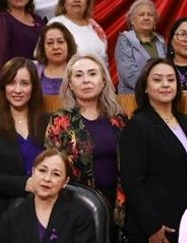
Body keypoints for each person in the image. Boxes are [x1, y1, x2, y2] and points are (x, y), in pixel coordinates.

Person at [120, 58, 187, 243]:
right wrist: (152, 226)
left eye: (171, 79)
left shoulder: (186, 121)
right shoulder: (138, 125)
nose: (165, 84)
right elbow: (132, 182)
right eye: (157, 80)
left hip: (186, 222)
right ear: (145, 88)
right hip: (157, 229)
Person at [0, 58, 48, 243]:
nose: (17, 89)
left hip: (48, 213)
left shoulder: (49, 122)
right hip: (3, 216)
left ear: (34, 87)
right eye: (11, 83)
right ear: (3, 87)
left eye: (24, 83)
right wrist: (24, 184)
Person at [44, 53, 127, 209]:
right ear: (70, 85)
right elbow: (52, 167)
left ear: (103, 81)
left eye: (92, 74)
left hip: (118, 203)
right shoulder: (60, 121)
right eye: (78, 75)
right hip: (76, 205)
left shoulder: (119, 118)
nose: (86, 80)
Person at [0, 148, 96, 243]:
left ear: (65, 182)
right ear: (33, 172)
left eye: (56, 174)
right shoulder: (11, 218)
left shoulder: (81, 216)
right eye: (42, 170)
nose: (47, 178)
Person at [48, 0, 108, 66]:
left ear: (87, 3)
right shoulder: (56, 24)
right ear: (63, 2)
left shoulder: (94, 26)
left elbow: (104, 58)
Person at [115, 0, 167, 94]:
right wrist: (155, 88)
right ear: (132, 20)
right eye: (141, 15)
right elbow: (129, 75)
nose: (146, 18)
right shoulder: (125, 40)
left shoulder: (161, 41)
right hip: (132, 99)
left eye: (150, 15)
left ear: (155, 21)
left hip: (160, 96)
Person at [35, 22, 76, 96]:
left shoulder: (77, 70)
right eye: (50, 43)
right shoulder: (34, 72)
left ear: (68, 45)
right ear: (43, 47)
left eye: (60, 42)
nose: (55, 47)